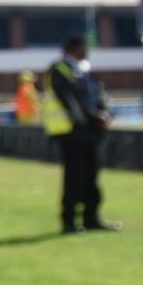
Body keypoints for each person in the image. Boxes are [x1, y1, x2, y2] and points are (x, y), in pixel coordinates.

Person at [42, 36, 118, 234]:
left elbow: (97, 94)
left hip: (90, 133)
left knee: (91, 178)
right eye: (84, 47)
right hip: (72, 133)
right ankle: (69, 222)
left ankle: (91, 218)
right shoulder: (59, 70)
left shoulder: (83, 69)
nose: (87, 51)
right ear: (75, 48)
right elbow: (73, 102)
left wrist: (104, 112)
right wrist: (95, 117)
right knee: (74, 179)